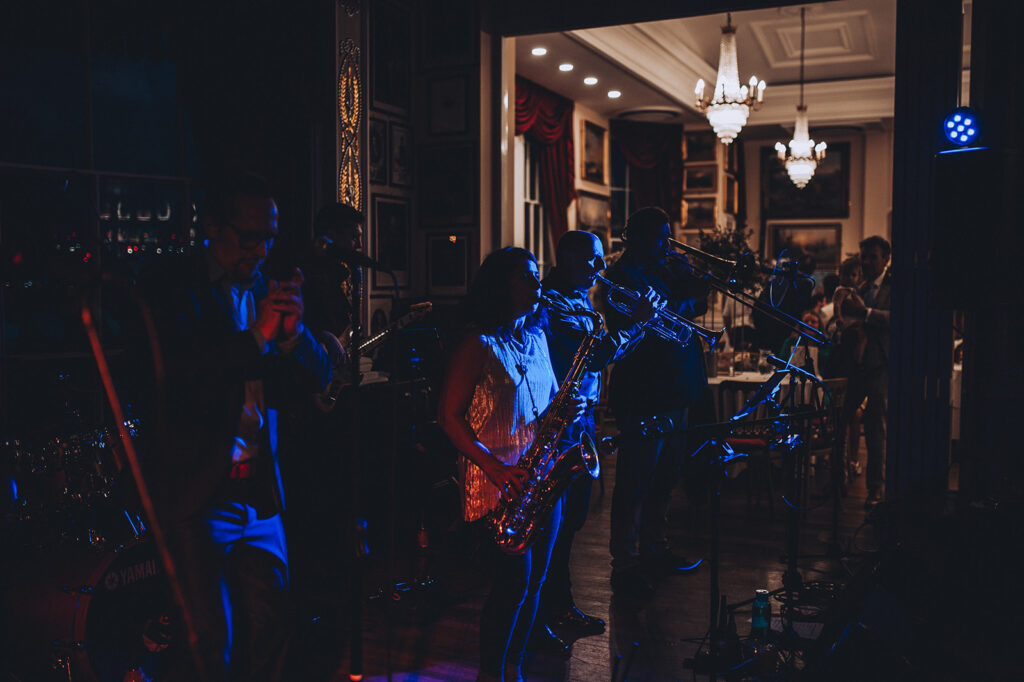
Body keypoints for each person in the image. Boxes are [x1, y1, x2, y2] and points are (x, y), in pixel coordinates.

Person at [140, 168, 330, 681]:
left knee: (274, 628)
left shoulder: (266, 287)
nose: (262, 249)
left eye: (270, 236)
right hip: (201, 491)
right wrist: (255, 340)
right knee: (210, 644)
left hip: (262, 493)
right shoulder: (174, 289)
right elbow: (176, 374)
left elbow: (320, 375)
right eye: (251, 236)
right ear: (213, 228)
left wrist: (293, 336)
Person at [438, 247, 584, 682]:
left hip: (540, 476)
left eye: (536, 274)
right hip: (496, 482)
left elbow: (546, 401)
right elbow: (447, 417)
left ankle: (515, 667)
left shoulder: (538, 338)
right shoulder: (477, 342)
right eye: (524, 275)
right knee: (511, 588)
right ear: (500, 284)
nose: (537, 283)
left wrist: (567, 407)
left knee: (537, 581)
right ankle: (491, 674)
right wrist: (494, 468)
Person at [536, 230, 661, 647]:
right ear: (569, 257)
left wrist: (631, 330)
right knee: (554, 523)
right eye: (593, 259)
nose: (601, 267)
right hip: (561, 423)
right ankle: (545, 613)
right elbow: (593, 355)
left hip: (585, 418)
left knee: (572, 520)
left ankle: (559, 603)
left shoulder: (579, 296)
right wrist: (636, 325)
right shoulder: (550, 300)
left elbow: (603, 353)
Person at [600, 207, 708, 598]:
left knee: (665, 479)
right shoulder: (621, 277)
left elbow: (696, 306)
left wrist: (696, 284)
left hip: (678, 389)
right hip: (644, 394)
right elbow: (637, 329)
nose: (667, 243)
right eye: (660, 236)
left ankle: (654, 548)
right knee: (635, 483)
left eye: (668, 234)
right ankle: (624, 564)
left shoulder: (667, 267)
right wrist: (682, 301)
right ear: (638, 237)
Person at [840, 236, 891, 506]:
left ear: (886, 259)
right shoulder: (858, 287)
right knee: (839, 420)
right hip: (856, 366)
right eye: (864, 257)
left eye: (873, 257)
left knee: (874, 430)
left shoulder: (893, 288)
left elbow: (896, 318)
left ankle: (876, 489)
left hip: (881, 365)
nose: (867, 262)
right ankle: (839, 480)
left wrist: (866, 312)